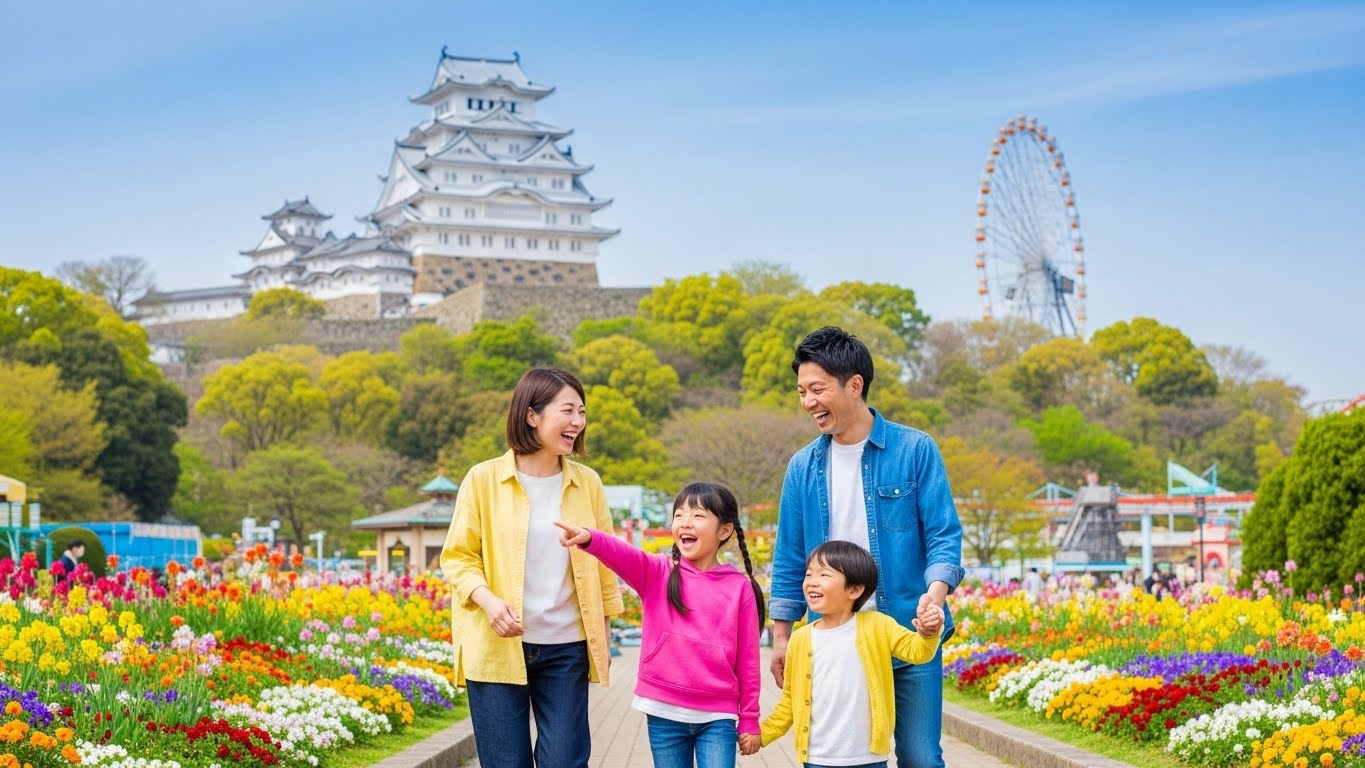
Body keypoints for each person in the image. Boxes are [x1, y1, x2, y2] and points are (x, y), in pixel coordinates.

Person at [769, 326, 964, 768]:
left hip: (908, 629)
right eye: (801, 391)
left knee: (920, 757)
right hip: (834, 641)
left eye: (817, 389)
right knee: (839, 757)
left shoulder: (915, 450)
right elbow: (789, 556)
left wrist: (934, 596)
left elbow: (943, 535)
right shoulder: (803, 467)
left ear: (854, 385)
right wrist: (781, 637)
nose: (808, 402)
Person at [440, 367, 624, 768]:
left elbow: (606, 561)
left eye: (582, 412)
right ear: (531, 415)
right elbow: (458, 557)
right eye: (568, 410)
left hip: (567, 648)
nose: (578, 421)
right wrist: (488, 602)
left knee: (565, 761)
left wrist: (604, 638)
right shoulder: (483, 480)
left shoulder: (587, 483)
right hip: (496, 644)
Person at [555, 482, 764, 768]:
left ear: (724, 531)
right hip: (664, 711)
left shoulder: (739, 588)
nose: (685, 523)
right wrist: (590, 538)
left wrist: (750, 719)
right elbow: (623, 554)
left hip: (717, 715)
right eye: (679, 515)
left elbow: (749, 660)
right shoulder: (658, 572)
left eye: (698, 516)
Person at [742, 540, 944, 767]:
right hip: (817, 758)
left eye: (824, 575)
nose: (812, 583)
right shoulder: (800, 640)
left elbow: (917, 652)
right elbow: (789, 701)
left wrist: (928, 633)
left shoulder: (878, 626)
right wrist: (763, 734)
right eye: (809, 575)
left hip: (868, 758)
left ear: (855, 589)